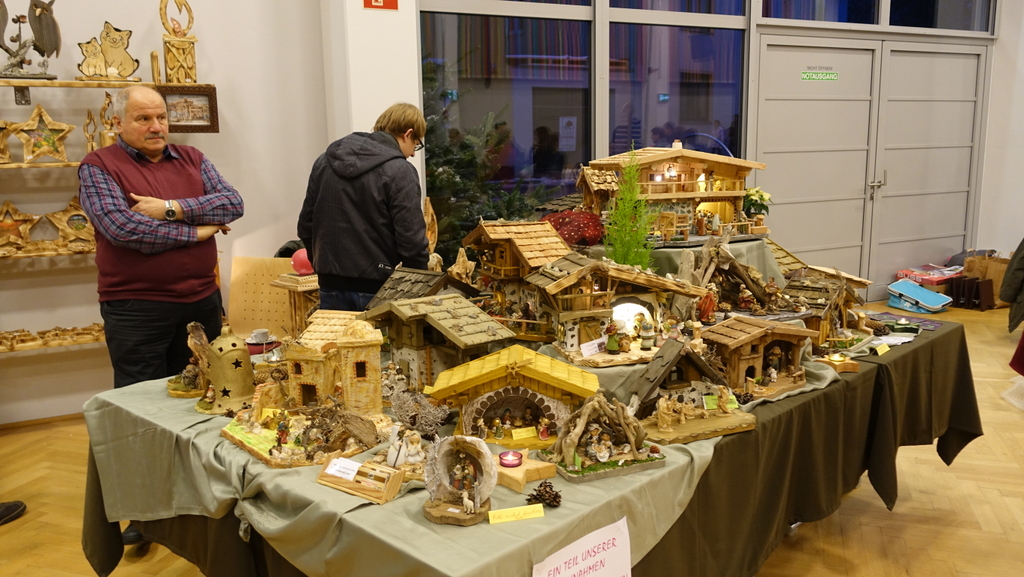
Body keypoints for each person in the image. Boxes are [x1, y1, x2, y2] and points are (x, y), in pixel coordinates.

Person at [79, 86, 243, 390]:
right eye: (143, 119)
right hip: (138, 308)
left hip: (203, 301)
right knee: (142, 397)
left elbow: (232, 204)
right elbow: (123, 228)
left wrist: (171, 208)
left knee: (206, 389)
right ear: (118, 123)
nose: (156, 127)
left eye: (162, 118)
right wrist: (197, 232)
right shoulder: (98, 165)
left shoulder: (192, 158)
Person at [297, 103, 429, 311]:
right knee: (375, 335)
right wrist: (417, 287)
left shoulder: (324, 162)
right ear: (408, 134)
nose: (413, 154)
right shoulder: (401, 171)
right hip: (377, 287)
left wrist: (323, 266)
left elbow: (305, 225)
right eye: (416, 144)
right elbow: (411, 240)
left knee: (332, 334)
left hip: (329, 285)